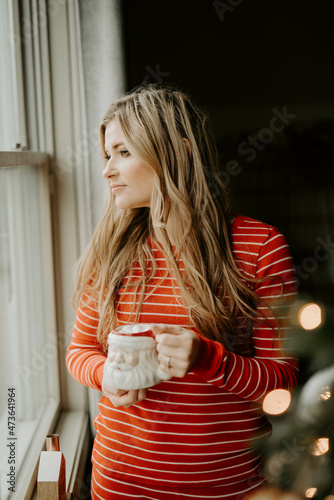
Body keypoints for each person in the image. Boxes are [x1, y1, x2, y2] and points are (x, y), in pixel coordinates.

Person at [66, 82, 299, 499]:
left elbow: (282, 381)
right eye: (106, 155)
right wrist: (107, 376)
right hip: (119, 485)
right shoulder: (111, 249)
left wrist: (210, 359)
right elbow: (79, 351)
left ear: (179, 152)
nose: (107, 170)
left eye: (123, 152)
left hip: (228, 488)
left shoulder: (258, 246)